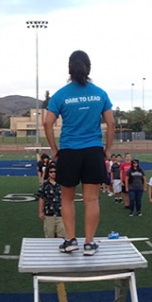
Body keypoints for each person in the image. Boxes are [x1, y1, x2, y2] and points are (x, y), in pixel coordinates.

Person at [43, 50, 115, 256]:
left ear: (69, 69)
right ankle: (89, 244)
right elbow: (110, 123)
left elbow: (47, 123)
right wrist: (107, 150)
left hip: (69, 152)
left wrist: (54, 149)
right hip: (93, 151)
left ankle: (71, 240)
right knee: (91, 200)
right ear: (89, 67)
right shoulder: (100, 93)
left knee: (66, 199)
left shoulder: (61, 95)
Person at [38, 164, 64, 238]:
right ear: (48, 173)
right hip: (49, 214)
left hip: (61, 214)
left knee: (62, 237)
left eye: (55, 171)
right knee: (50, 237)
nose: (53, 173)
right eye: (51, 172)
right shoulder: (44, 185)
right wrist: (40, 212)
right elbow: (41, 198)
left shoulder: (63, 184)